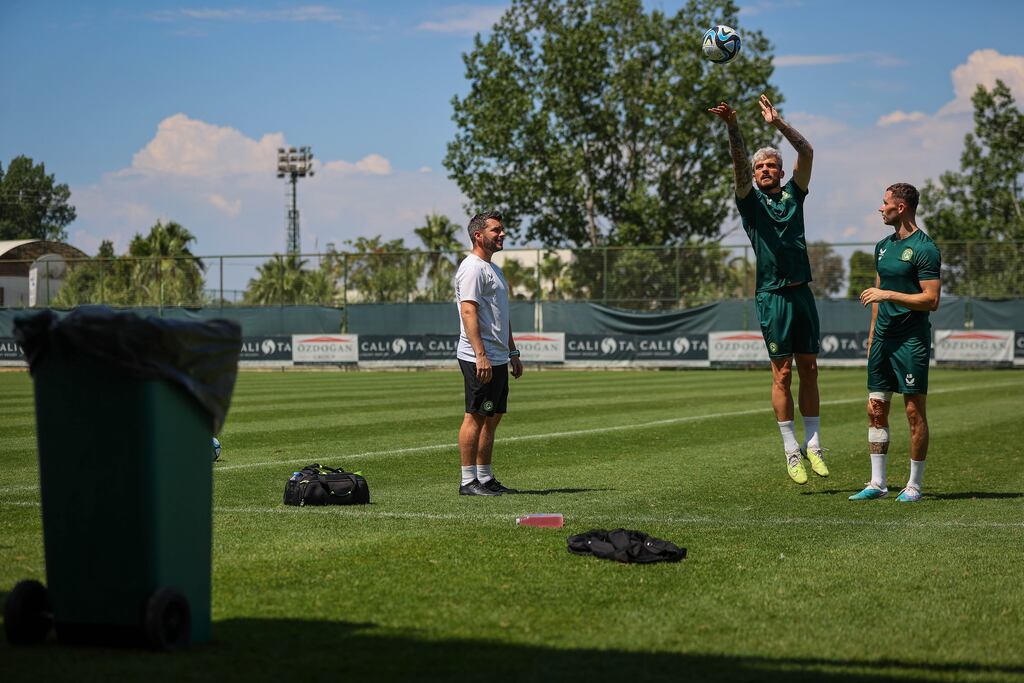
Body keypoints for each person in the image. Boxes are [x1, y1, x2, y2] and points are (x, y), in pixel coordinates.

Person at [708, 94, 829, 485]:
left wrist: (779, 124)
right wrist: (733, 127)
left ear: (779, 171)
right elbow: (738, 167)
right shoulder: (750, 203)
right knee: (783, 374)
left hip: (802, 293)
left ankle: (814, 444)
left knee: (810, 368)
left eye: (770, 165)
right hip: (772, 296)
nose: (764, 170)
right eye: (760, 166)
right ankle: (791, 449)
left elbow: (807, 151)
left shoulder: (795, 194)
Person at [851, 183, 941, 502]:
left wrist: (889, 295)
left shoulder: (925, 248)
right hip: (883, 341)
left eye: (885, 203)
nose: (880, 208)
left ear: (900, 207)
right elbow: (877, 294)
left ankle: (914, 485)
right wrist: (874, 335)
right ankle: (878, 483)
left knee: (914, 413)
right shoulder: (882, 247)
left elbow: (931, 299)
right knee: (876, 409)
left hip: (911, 341)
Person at [454, 211, 524, 496]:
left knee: (491, 415)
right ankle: (467, 481)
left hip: (498, 356)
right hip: (477, 356)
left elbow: (501, 315)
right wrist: (480, 354)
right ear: (478, 236)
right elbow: (468, 310)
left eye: (502, 229)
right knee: (475, 416)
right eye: (496, 230)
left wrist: (513, 351)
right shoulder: (472, 267)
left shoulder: (493, 269)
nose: (502, 234)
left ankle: (485, 477)